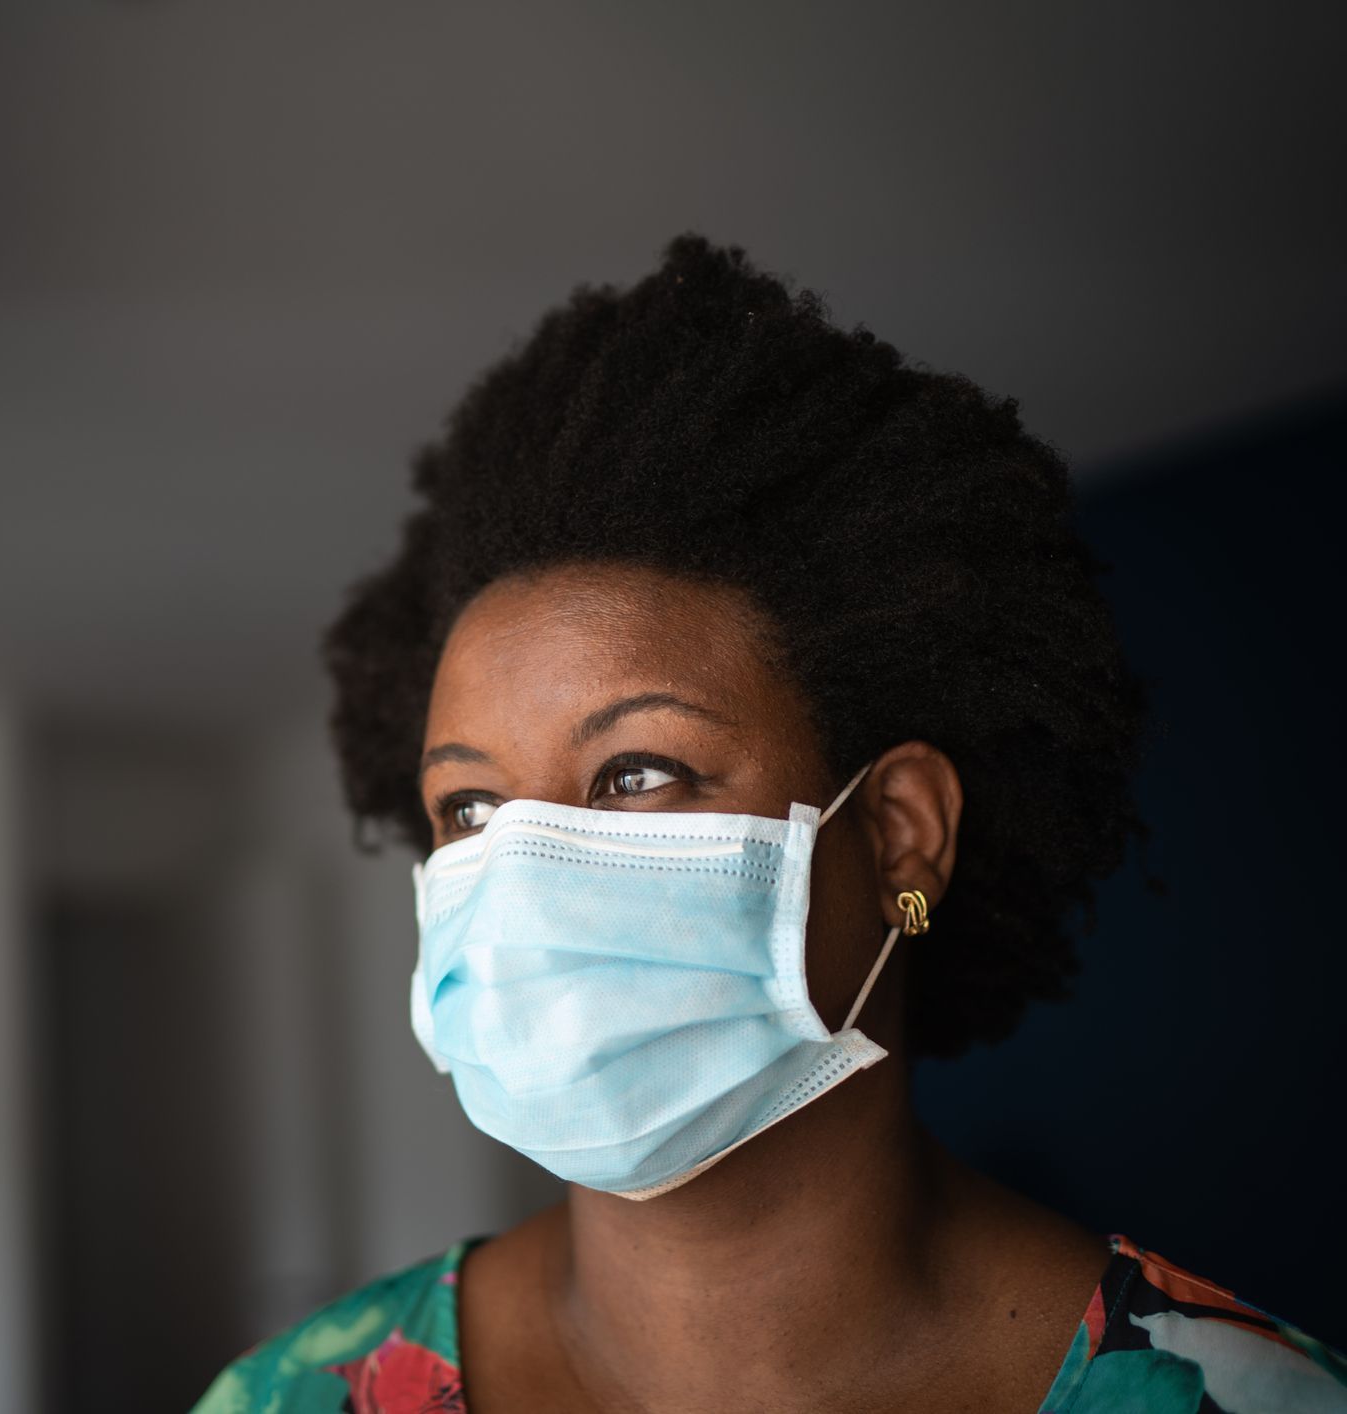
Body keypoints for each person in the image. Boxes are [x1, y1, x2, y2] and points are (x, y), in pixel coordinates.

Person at [194, 238, 1347, 1413]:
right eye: (470, 807)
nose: (520, 874)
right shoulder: (289, 1397)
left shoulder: (1235, 1397)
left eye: (634, 772)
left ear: (899, 834)